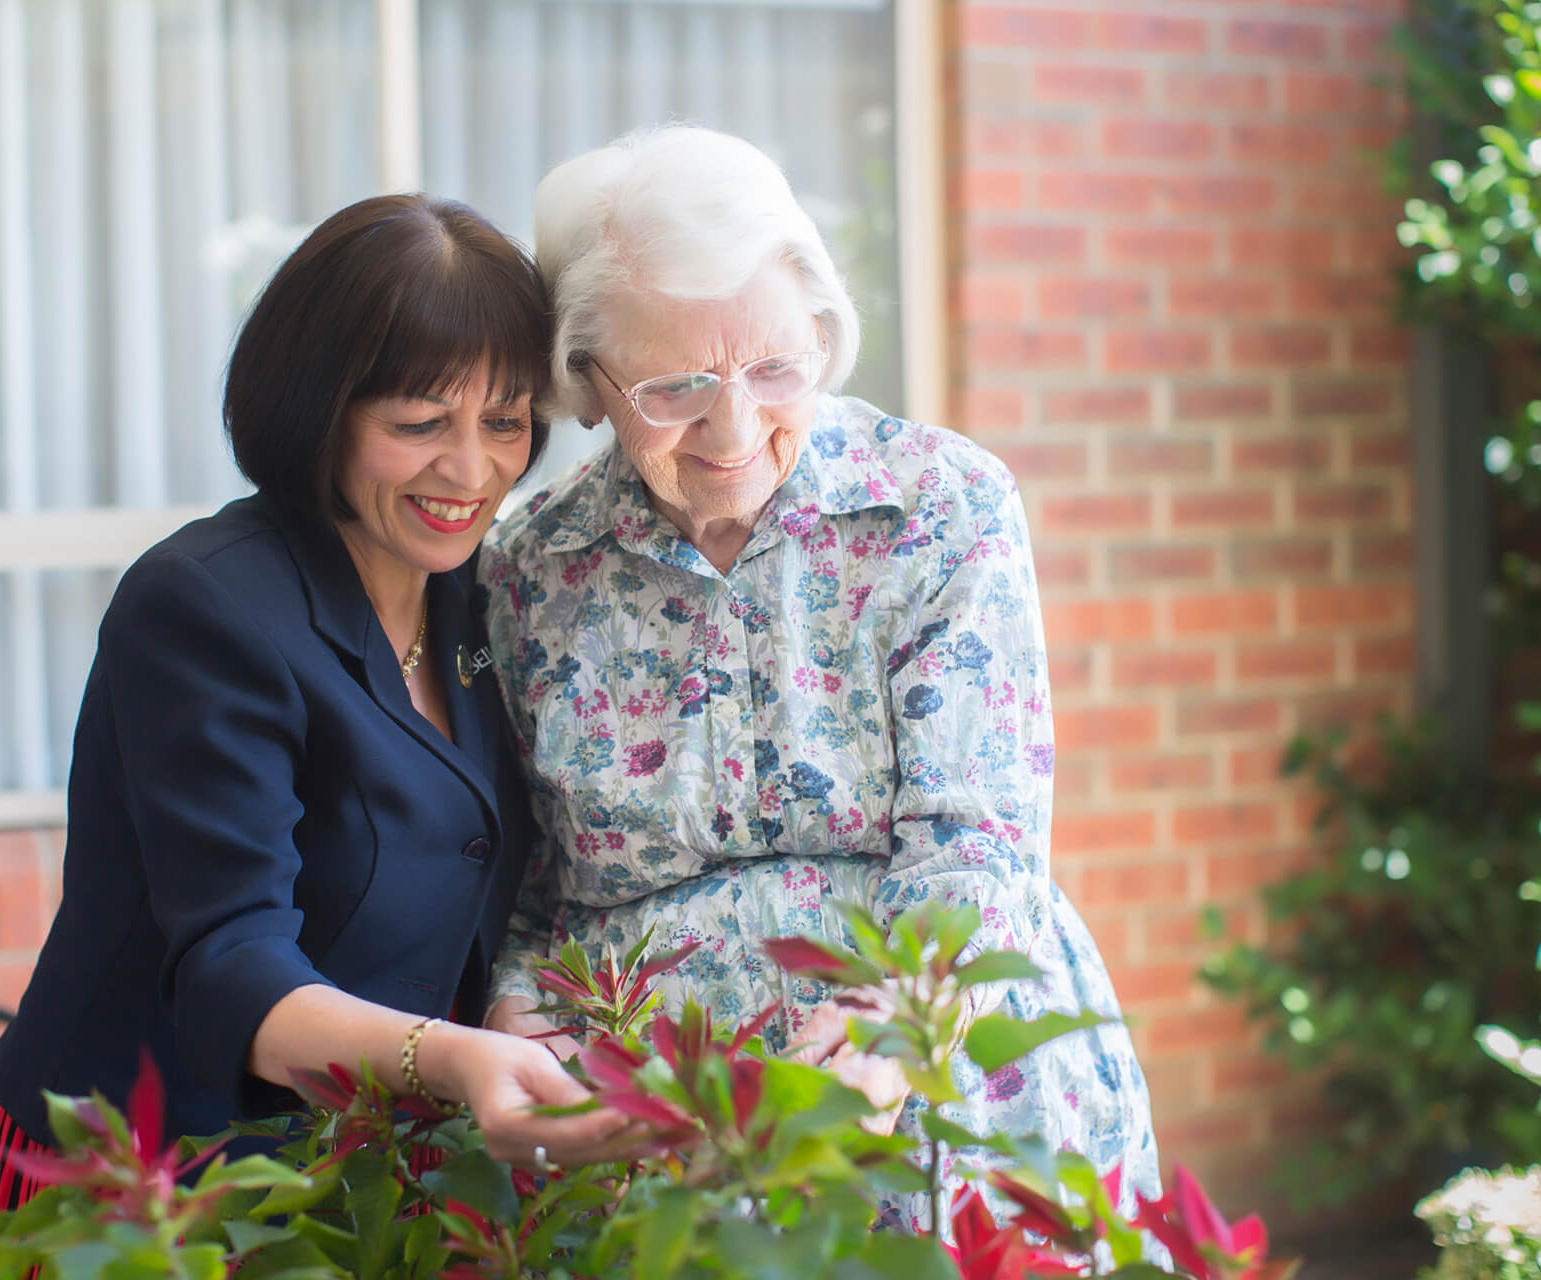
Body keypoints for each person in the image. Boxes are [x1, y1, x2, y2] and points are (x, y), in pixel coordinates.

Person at [478, 126, 1166, 1235]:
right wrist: (520, 995)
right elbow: (537, 876)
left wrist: (896, 1019)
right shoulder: (527, 571)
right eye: (676, 386)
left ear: (826, 338)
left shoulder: (941, 504)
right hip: (659, 1136)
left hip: (940, 1081)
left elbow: (980, 837)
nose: (735, 427)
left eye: (775, 369)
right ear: (588, 384)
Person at [0, 195, 639, 1278]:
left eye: (505, 423)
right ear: (319, 408)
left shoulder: (478, 598)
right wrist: (458, 1057)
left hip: (369, 1175)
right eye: (420, 423)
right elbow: (232, 961)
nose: (471, 471)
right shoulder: (204, 607)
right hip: (148, 1186)